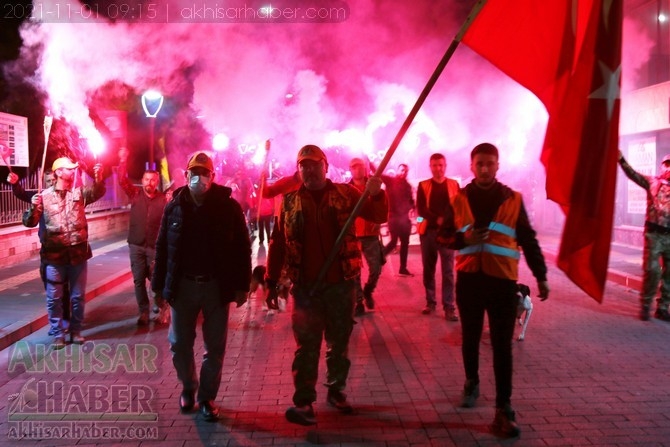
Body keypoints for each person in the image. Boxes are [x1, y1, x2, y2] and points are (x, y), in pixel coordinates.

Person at [265, 144, 387, 426]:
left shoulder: (346, 195)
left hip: (340, 286)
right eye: (303, 165)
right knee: (306, 347)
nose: (308, 169)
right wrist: (271, 280)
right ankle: (304, 402)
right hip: (306, 288)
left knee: (339, 341)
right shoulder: (290, 201)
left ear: (326, 166)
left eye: (314, 164)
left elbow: (378, 215)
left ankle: (336, 389)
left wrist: (377, 193)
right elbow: (279, 243)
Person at [440, 143, 549, 438]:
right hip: (470, 282)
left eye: (490, 163)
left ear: (498, 165)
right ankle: (471, 382)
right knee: (471, 338)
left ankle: (504, 408)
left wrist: (541, 275)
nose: (485, 168)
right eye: (480, 164)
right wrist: (464, 237)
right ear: (472, 166)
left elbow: (527, 238)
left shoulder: (513, 199)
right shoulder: (459, 199)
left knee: (502, 345)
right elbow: (444, 235)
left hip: (502, 283)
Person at [151, 151, 251, 422]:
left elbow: (243, 246)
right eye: (194, 172)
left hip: (215, 287)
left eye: (204, 172)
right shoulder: (175, 206)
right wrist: (158, 286)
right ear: (186, 175)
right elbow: (163, 248)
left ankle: (207, 396)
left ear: (213, 176)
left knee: (215, 346)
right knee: (179, 343)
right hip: (183, 287)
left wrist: (243, 285)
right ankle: (188, 386)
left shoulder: (227, 206)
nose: (199, 177)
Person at [23, 157, 106, 349]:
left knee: (77, 297)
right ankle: (58, 333)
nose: (73, 171)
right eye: (69, 169)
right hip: (54, 256)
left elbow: (98, 191)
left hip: (78, 254)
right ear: (59, 172)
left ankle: (76, 331)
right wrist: (33, 207)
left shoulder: (79, 193)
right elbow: (29, 222)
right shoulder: (43, 196)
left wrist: (99, 178)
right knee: (54, 297)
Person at [8, 170, 72, 331]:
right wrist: (15, 183)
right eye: (47, 181)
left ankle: (65, 320)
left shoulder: (66, 196)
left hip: (64, 249)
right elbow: (22, 194)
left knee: (63, 287)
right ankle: (56, 321)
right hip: (47, 249)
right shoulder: (41, 196)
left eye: (53, 180)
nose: (51, 183)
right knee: (50, 287)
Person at [118, 147, 169, 326]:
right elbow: (122, 180)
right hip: (136, 246)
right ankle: (143, 312)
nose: (150, 182)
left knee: (156, 282)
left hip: (155, 247)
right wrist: (123, 160)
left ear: (157, 182)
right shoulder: (135, 195)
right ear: (142, 181)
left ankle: (162, 306)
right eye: (147, 179)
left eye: (153, 180)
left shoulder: (163, 200)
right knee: (139, 280)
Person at [618, 151, 670, 321]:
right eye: (667, 164)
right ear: (662, 166)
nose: (669, 167)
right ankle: (646, 304)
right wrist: (621, 160)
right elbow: (633, 174)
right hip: (654, 235)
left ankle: (663, 308)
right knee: (653, 271)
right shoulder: (652, 182)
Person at [416, 153, 460, 321]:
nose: (438, 168)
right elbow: (421, 210)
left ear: (445, 165)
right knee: (429, 269)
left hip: (448, 235)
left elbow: (458, 207)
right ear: (430, 166)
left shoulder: (454, 185)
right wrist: (438, 219)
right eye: (434, 165)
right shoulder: (423, 185)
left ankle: (449, 306)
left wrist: (449, 223)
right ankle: (430, 302)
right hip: (428, 233)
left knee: (448, 272)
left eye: (440, 165)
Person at [349, 157, 384, 315]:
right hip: (353, 235)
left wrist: (379, 220)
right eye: (354, 167)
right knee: (354, 272)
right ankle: (358, 301)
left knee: (375, 268)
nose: (358, 170)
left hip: (370, 234)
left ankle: (368, 290)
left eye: (360, 166)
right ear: (350, 170)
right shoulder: (346, 189)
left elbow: (382, 205)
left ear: (365, 168)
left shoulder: (373, 186)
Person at [379, 163, 415, 276]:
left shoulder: (408, 186)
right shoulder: (390, 181)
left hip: (405, 219)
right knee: (394, 242)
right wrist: (368, 161)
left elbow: (411, 201)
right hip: (393, 217)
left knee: (405, 243)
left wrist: (412, 208)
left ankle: (403, 268)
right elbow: (378, 171)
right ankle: (379, 258)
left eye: (405, 171)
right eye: (402, 170)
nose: (403, 172)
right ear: (397, 170)